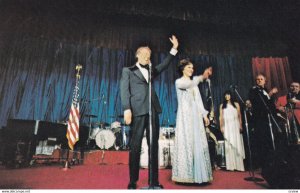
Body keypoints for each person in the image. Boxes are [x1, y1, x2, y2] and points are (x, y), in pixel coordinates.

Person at [120, 35, 179, 189]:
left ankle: (153, 181)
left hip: (152, 111)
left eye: (150, 55)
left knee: (153, 145)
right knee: (135, 146)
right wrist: (127, 109)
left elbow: (164, 65)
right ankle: (133, 180)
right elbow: (124, 91)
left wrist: (174, 49)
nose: (148, 57)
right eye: (145, 54)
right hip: (137, 111)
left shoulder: (152, 70)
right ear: (138, 55)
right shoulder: (128, 71)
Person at [172, 58, 213, 184]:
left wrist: (204, 115)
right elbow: (188, 85)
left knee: (198, 142)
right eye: (189, 67)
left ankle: (199, 175)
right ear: (183, 68)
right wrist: (201, 77)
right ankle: (186, 175)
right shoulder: (179, 82)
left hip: (195, 116)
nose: (191, 69)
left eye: (192, 68)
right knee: (187, 142)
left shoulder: (193, 84)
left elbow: (198, 101)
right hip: (185, 117)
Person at [247, 74, 279, 169]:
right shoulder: (253, 90)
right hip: (259, 120)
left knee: (269, 141)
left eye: (261, 79)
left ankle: (270, 163)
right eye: (257, 79)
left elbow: (270, 105)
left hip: (269, 119)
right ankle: (262, 164)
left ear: (265, 81)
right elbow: (258, 104)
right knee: (261, 141)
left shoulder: (265, 91)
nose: (259, 81)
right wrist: (270, 93)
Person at [219, 90, 245, 171]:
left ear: (231, 95)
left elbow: (239, 115)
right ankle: (231, 166)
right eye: (226, 95)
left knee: (237, 144)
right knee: (229, 145)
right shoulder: (222, 105)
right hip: (227, 126)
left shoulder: (236, 104)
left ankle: (239, 166)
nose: (227, 96)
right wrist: (221, 126)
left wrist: (240, 125)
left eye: (228, 95)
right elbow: (221, 117)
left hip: (235, 126)